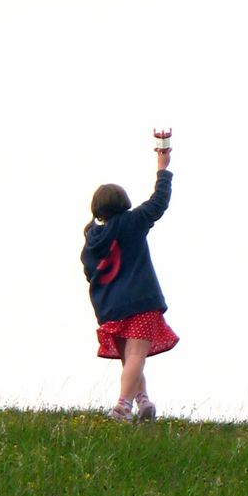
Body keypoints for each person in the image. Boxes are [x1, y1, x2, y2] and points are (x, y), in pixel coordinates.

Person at [81, 144, 178, 421]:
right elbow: (159, 202)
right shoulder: (133, 222)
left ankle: (143, 401)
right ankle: (123, 407)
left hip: (111, 308)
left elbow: (90, 272)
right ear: (123, 203)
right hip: (141, 301)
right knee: (136, 356)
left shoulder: (92, 240)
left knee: (130, 358)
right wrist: (163, 167)